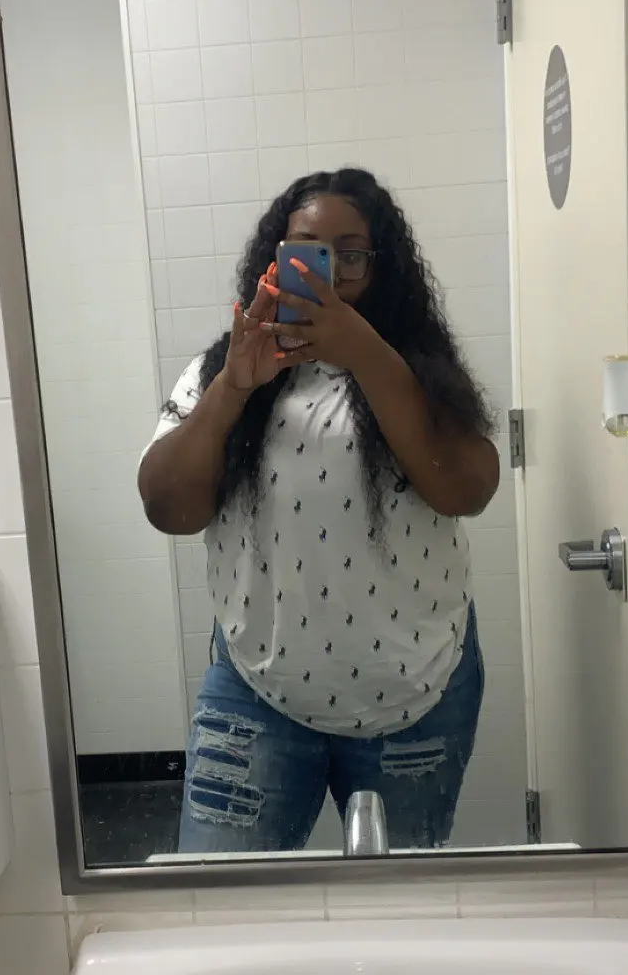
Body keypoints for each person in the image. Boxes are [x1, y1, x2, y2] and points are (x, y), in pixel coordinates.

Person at [138, 168, 499, 853]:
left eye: (350, 255)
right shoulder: (223, 368)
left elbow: (467, 491)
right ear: (274, 261)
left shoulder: (421, 373)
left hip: (414, 692)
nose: (328, 274)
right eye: (306, 253)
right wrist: (232, 388)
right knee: (219, 898)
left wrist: (362, 351)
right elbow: (167, 507)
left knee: (398, 904)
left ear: (382, 267)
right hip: (255, 689)